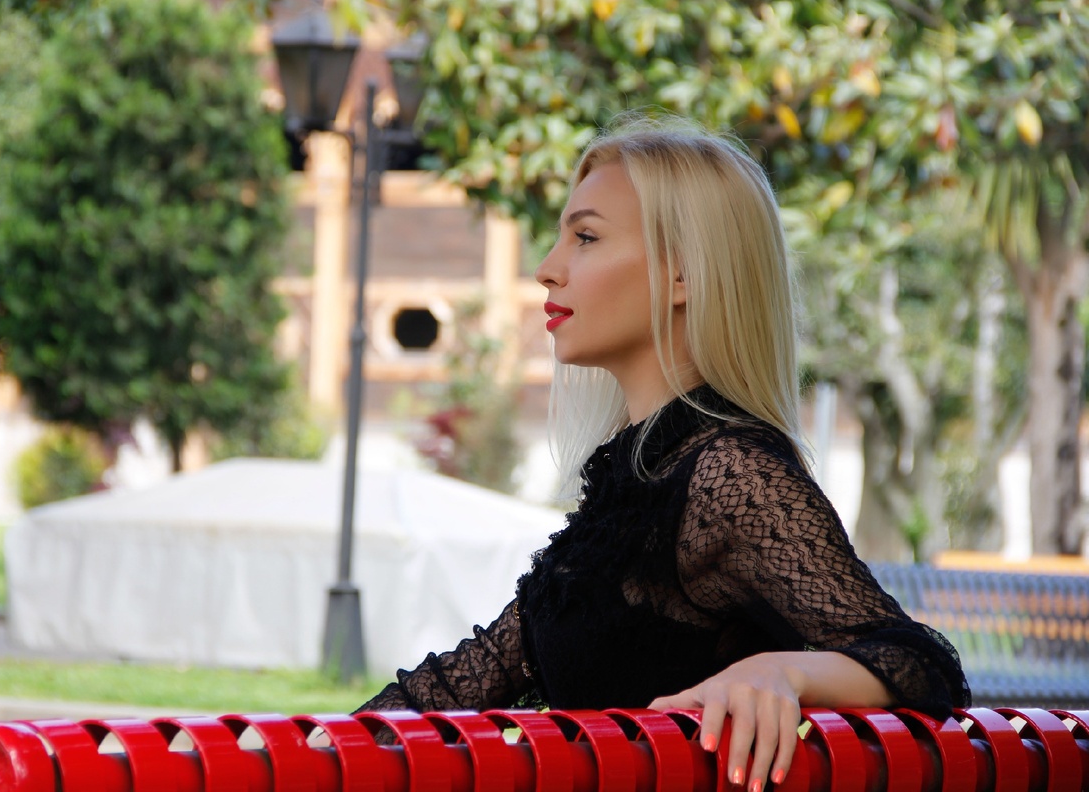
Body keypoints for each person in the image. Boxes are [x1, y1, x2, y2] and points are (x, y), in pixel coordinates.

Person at [354, 115, 969, 792]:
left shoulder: (729, 473)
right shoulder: (635, 482)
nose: (547, 269)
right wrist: (308, 749)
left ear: (683, 274)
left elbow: (921, 664)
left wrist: (783, 672)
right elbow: (461, 682)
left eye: (586, 237)